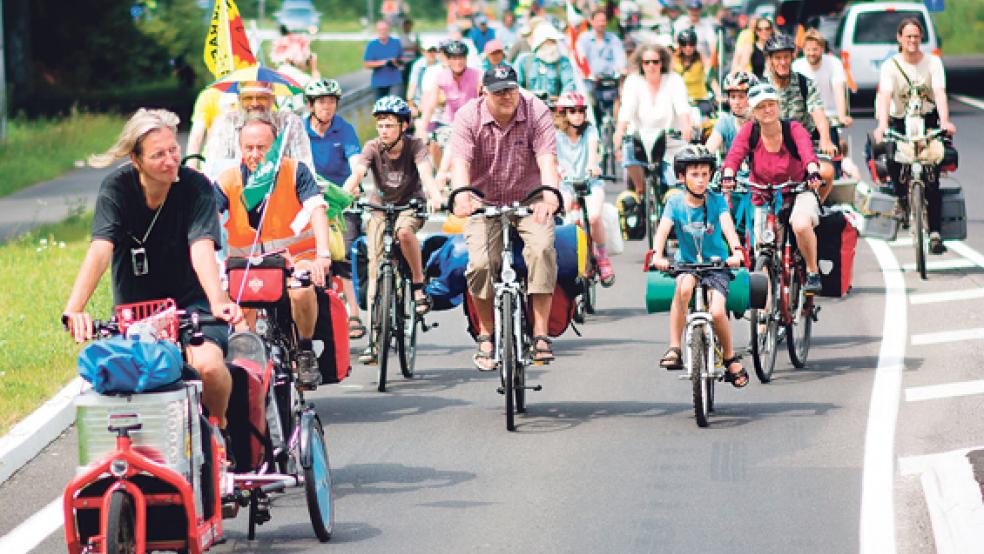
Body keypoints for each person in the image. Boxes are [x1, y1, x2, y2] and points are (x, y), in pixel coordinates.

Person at [63, 108, 244, 431]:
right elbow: (100, 250)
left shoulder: (195, 186)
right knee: (134, 390)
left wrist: (217, 300)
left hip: (193, 307)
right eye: (158, 155)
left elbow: (201, 247)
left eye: (174, 150)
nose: (171, 160)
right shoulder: (116, 189)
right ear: (136, 160)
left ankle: (219, 432)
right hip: (137, 312)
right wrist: (75, 309)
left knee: (210, 368)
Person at [448, 65, 561, 369]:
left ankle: (539, 334)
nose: (506, 96)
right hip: (482, 200)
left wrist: (550, 195)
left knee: (541, 250)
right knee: (482, 263)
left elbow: (547, 159)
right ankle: (486, 332)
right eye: (498, 91)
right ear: (484, 92)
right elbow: (460, 163)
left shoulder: (535, 109)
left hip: (530, 197)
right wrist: (461, 195)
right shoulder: (468, 117)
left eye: (511, 89)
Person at [214, 114, 331, 388]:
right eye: (249, 148)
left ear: (275, 147)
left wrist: (322, 255)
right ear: (240, 148)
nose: (255, 154)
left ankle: (304, 350)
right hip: (246, 264)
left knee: (302, 290)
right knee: (241, 330)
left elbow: (317, 209)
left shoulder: (295, 171)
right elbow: (208, 221)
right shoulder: (228, 180)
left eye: (262, 148)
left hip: (295, 260)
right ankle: (249, 378)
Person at [341, 97, 444, 363]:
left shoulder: (415, 146)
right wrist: (346, 192)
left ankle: (418, 285)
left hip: (409, 207)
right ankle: (375, 343)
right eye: (380, 125)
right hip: (379, 208)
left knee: (405, 234)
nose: (384, 130)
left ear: (403, 126)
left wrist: (434, 196)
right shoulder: (373, 147)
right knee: (376, 270)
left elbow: (426, 175)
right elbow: (358, 172)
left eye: (389, 125)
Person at [651, 145, 748, 388]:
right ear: (681, 177)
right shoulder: (674, 203)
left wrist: (736, 250)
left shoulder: (716, 201)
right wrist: (658, 255)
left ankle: (729, 357)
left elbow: (727, 226)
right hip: (687, 264)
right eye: (694, 174)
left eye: (705, 174)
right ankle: (674, 347)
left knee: (716, 312)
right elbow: (662, 230)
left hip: (716, 265)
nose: (701, 180)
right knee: (683, 289)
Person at [721, 83, 824, 293]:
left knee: (801, 225)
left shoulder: (793, 129)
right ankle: (764, 318)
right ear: (753, 111)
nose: (767, 110)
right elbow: (734, 156)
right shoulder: (750, 131)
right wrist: (728, 176)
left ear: (778, 106)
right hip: (763, 194)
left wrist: (812, 171)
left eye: (771, 104)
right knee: (762, 250)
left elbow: (807, 153)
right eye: (761, 107)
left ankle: (812, 271)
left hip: (797, 189)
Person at [873, 17, 955, 254]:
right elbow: (886, 95)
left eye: (916, 36)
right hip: (899, 120)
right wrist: (882, 125)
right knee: (893, 159)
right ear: (899, 38)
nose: (912, 41)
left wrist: (945, 120)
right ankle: (901, 199)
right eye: (908, 36)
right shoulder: (891, 65)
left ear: (921, 39)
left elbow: (939, 93)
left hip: (927, 120)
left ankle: (936, 232)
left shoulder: (933, 63)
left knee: (932, 176)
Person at [303, 79, 367, 339]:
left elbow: (358, 164)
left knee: (345, 252)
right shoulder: (299, 130)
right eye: (321, 102)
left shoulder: (344, 129)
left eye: (331, 101)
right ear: (311, 106)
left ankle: (354, 313)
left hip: (340, 199)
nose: (327, 106)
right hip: (308, 199)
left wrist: (348, 189)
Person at [763, 33, 837, 201]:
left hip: (802, 148)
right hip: (772, 149)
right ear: (770, 60)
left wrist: (825, 139)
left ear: (792, 57)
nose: (782, 62)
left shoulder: (805, 84)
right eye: (778, 58)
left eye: (786, 57)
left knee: (826, 172)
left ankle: (816, 207)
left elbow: (818, 113)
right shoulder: (762, 87)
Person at [614, 43, 692, 195]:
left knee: (675, 184)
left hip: (668, 139)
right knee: (628, 155)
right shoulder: (633, 81)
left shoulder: (674, 79)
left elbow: (682, 106)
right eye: (646, 62)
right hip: (639, 138)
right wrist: (619, 131)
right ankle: (640, 188)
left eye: (655, 62)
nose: (651, 66)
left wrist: (686, 127)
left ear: (662, 63)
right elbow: (626, 110)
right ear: (641, 64)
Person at [554, 91, 615, 286]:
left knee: (595, 215)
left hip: (590, 182)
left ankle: (602, 256)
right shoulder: (555, 134)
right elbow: (551, 158)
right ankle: (563, 257)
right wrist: (559, 171)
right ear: (563, 113)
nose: (578, 114)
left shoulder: (590, 131)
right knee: (561, 215)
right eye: (572, 111)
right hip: (566, 184)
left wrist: (592, 165)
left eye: (581, 110)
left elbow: (593, 150)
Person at [203, 80, 314, 180]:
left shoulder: (290, 123)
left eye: (261, 98)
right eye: (248, 98)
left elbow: (305, 170)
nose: (254, 103)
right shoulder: (226, 122)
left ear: (272, 99)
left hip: (282, 192)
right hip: (235, 194)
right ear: (239, 100)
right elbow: (214, 170)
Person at [792, 29, 853, 136]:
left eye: (815, 49)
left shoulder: (834, 63)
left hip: (830, 116)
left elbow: (839, 91)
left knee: (834, 149)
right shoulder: (797, 66)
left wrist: (842, 116)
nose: (811, 53)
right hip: (806, 119)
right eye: (808, 50)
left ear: (822, 49)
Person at [577, 8, 628, 122]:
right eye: (599, 20)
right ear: (591, 21)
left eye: (604, 21)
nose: (601, 23)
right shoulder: (584, 39)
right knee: (587, 112)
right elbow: (580, 60)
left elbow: (620, 58)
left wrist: (621, 70)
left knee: (620, 103)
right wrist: (587, 74)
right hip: (590, 83)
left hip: (609, 82)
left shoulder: (614, 39)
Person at [515, 24, 577, 98]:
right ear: (540, 43)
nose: (554, 45)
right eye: (550, 41)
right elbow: (515, 85)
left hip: (553, 108)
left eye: (554, 41)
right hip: (528, 107)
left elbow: (569, 85)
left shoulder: (563, 62)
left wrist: (562, 99)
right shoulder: (524, 61)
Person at [186, 87, 238, 171]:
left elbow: (197, 136)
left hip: (213, 162)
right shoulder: (252, 94)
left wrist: (191, 167)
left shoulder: (208, 96)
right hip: (241, 163)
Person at [706, 71, 757, 153]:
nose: (736, 102)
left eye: (741, 97)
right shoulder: (725, 123)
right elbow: (708, 151)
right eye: (733, 97)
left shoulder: (762, 123)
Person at [270, 33, 320, 114]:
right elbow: (317, 90)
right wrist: (314, 69)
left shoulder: (280, 71)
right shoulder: (293, 74)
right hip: (293, 117)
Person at [672, 28, 720, 114]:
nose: (688, 48)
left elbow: (710, 77)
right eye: (684, 44)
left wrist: (718, 93)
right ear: (679, 45)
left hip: (700, 99)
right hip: (681, 100)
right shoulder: (674, 59)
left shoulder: (701, 58)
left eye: (691, 44)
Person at [363, 20, 404, 99]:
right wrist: (384, 62)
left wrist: (396, 62)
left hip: (394, 81)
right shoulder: (372, 45)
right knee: (380, 109)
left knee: (393, 107)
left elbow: (401, 60)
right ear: (377, 31)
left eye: (384, 29)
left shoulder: (396, 42)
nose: (383, 32)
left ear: (388, 30)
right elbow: (367, 64)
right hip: (379, 82)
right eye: (380, 30)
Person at [407, 38, 441, 118]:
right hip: (420, 102)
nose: (432, 53)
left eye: (434, 50)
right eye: (429, 51)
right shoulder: (418, 65)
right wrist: (411, 105)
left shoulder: (441, 64)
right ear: (423, 51)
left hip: (438, 102)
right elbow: (412, 85)